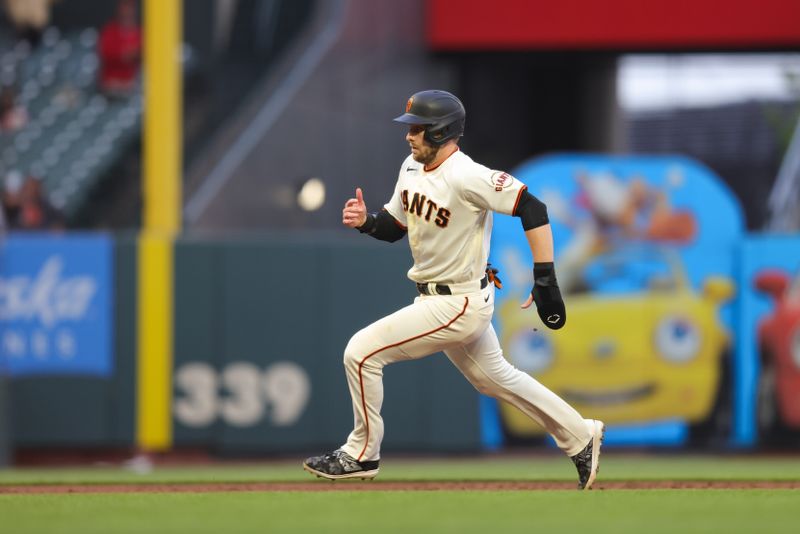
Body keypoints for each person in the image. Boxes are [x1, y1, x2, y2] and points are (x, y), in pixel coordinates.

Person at [303, 90, 605, 490]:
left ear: (442, 131)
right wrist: (366, 221)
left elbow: (533, 207)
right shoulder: (410, 168)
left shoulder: (468, 175)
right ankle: (581, 434)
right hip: (440, 297)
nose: (409, 136)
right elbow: (395, 226)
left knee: (360, 353)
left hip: (458, 300)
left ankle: (361, 454)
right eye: (409, 128)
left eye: (418, 129)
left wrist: (544, 276)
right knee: (493, 378)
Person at [97, 0, 141, 97]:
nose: (127, 11)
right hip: (112, 85)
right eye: (124, 6)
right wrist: (126, 54)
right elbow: (106, 53)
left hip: (133, 86)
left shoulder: (140, 33)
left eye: (130, 7)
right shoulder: (110, 31)